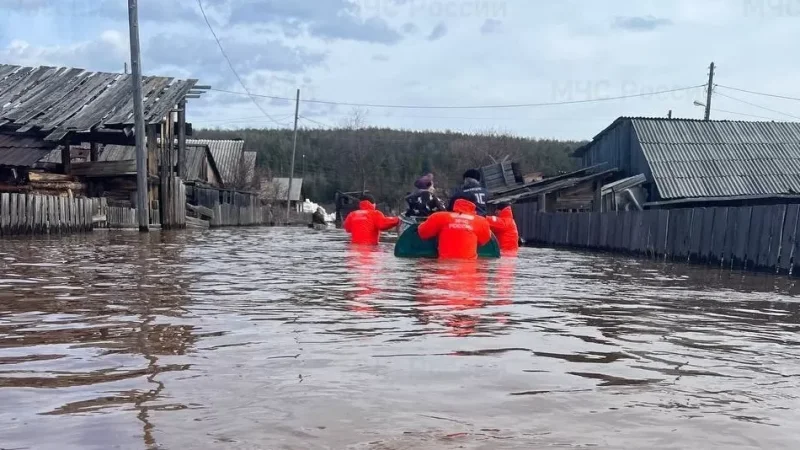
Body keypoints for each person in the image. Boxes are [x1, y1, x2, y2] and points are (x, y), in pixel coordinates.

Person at [417, 197, 492, 259]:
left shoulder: (438, 217)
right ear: (474, 205)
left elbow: (422, 232)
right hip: (470, 271)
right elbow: (484, 240)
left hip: (444, 269)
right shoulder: (481, 221)